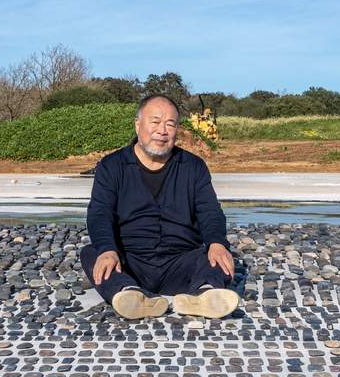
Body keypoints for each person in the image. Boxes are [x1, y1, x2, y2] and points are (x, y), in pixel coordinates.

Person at [81, 94, 240, 319]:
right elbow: (100, 213)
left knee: (216, 253)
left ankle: (205, 294)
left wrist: (216, 242)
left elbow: (210, 211)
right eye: (155, 122)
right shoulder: (112, 166)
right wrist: (108, 249)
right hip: (130, 261)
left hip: (181, 260)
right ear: (138, 125)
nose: (162, 130)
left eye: (170, 124)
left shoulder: (193, 167)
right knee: (93, 252)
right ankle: (130, 294)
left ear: (177, 129)